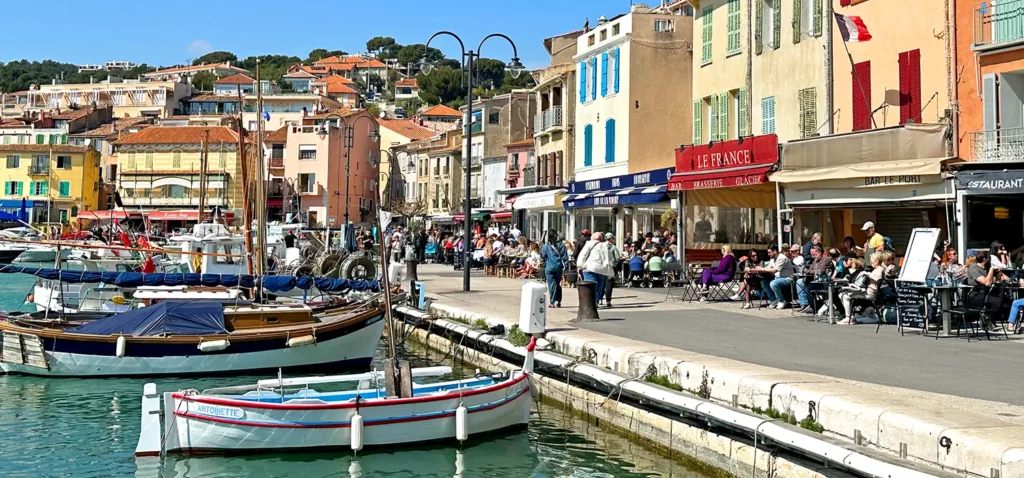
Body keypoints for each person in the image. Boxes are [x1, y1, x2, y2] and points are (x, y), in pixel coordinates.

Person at [576, 232, 615, 308]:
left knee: (590, 285)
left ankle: (591, 302)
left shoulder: (589, 244)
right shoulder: (605, 246)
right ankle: (596, 300)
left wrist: (579, 266)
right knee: (600, 286)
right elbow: (610, 258)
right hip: (602, 269)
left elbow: (583, 255)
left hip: (590, 268)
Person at [756, 244, 797, 309]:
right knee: (763, 282)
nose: (768, 254)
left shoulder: (782, 258)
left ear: (775, 251)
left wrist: (762, 269)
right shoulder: (772, 259)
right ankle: (774, 300)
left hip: (787, 279)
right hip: (778, 278)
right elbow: (768, 268)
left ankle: (781, 301)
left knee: (773, 283)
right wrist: (754, 269)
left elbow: (775, 270)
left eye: (769, 252)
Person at [797, 244, 832, 314]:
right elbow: (811, 270)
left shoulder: (826, 259)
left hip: (824, 282)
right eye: (811, 254)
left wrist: (808, 271)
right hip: (814, 280)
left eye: (814, 254)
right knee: (799, 282)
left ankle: (814, 306)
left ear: (819, 252)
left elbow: (821, 271)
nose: (812, 256)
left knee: (808, 288)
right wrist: (807, 271)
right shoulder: (815, 260)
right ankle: (804, 303)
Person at [541, 231, 568, 308]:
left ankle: (552, 301)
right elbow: (565, 257)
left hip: (549, 267)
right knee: (557, 283)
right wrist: (564, 266)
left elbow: (542, 255)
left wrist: (546, 259)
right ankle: (558, 300)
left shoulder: (546, 246)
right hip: (559, 267)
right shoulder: (562, 245)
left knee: (552, 285)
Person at [603, 232, 621, 306]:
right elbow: (617, 257)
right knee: (609, 283)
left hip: (603, 267)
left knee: (602, 283)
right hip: (611, 266)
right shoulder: (613, 247)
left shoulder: (602, 246)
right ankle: (608, 300)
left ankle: (599, 299)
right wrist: (615, 263)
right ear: (611, 239)